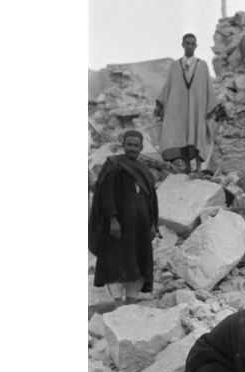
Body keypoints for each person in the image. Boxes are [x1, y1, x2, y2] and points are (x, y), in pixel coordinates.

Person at [89, 130, 159, 306]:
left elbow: (150, 199)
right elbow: (106, 194)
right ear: (123, 145)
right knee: (117, 264)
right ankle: (118, 305)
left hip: (140, 228)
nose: (132, 149)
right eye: (129, 145)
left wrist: (153, 224)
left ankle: (131, 305)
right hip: (118, 228)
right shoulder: (114, 165)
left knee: (139, 264)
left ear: (141, 148)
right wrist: (113, 219)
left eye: (136, 146)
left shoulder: (144, 171)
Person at [155, 33, 218, 175]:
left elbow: (208, 86)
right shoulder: (175, 66)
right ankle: (187, 167)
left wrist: (211, 106)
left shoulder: (202, 65)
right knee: (182, 135)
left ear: (195, 46)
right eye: (187, 43)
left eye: (192, 44)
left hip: (198, 108)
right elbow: (169, 86)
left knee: (198, 134)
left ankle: (198, 168)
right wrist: (161, 103)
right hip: (180, 108)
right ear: (182, 45)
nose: (190, 46)